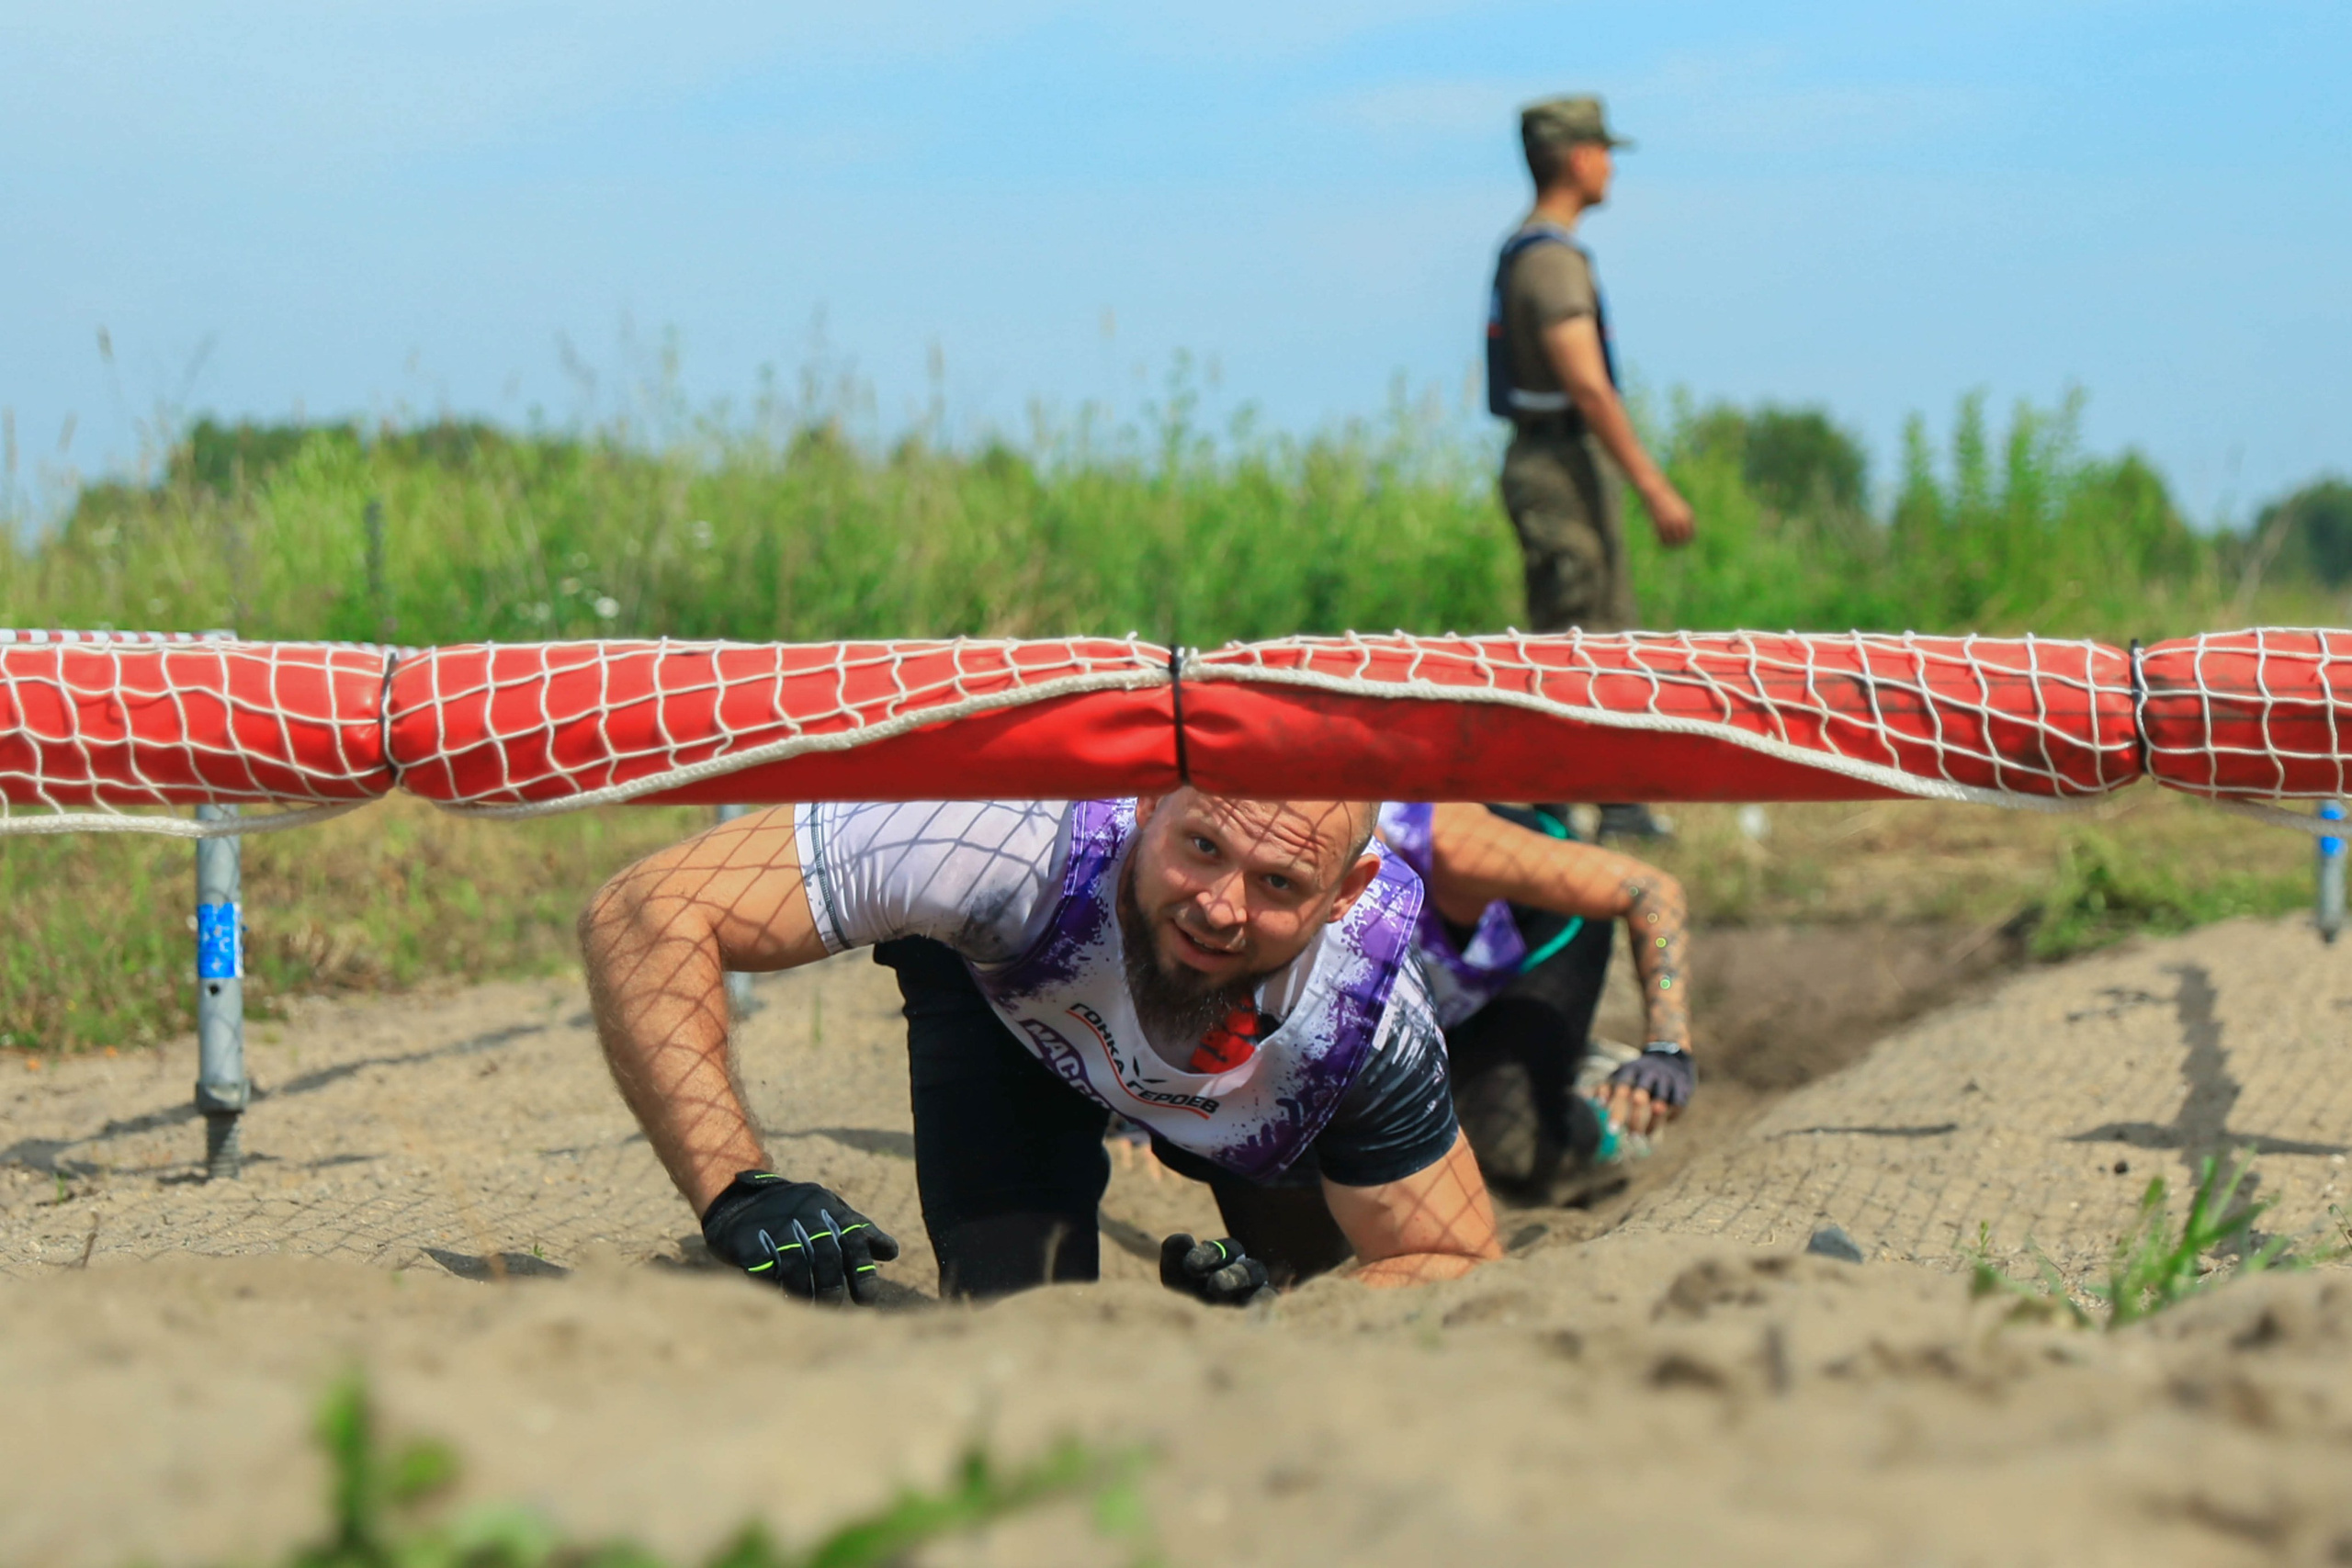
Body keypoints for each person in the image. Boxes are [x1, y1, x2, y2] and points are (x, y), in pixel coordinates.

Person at [579, 790, 1503, 1306]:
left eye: (1277, 880)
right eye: (1202, 845)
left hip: (1257, 1090)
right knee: (1015, 1321)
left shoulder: (1361, 1005)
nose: (1219, 906)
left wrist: (1295, 1333)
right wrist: (738, 1188)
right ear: (1148, 800)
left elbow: (1455, 1256)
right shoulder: (997, 836)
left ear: (1346, 894)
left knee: (1315, 1277)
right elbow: (644, 910)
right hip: (1013, 1008)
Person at [1376, 802, 1693, 1197]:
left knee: (1507, 1151)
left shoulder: (1450, 843)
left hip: (1539, 938)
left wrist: (1667, 1047)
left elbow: (1652, 891)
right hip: (1436, 985)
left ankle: (1598, 1106)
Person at [1489, 94, 1696, 635]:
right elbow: (1588, 386)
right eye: (1605, 152)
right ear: (1580, 159)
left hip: (1549, 456)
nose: (1611, 168)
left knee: (1583, 629)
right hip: (1559, 462)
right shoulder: (1552, 262)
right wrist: (1654, 487)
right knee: (1582, 635)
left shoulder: (1529, 251)